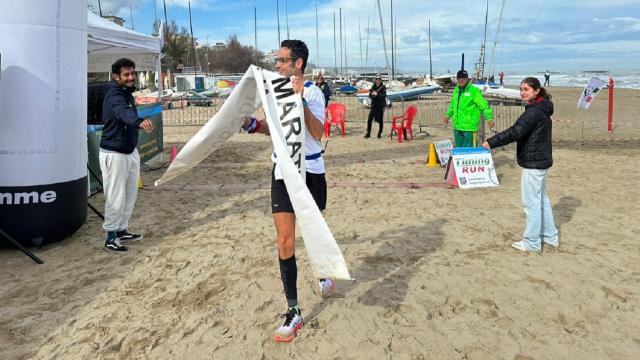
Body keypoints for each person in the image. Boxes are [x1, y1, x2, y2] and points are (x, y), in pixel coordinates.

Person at [240, 40, 335, 343]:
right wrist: (253, 124)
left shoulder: (314, 92)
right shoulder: (275, 90)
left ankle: (323, 270)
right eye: (276, 60)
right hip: (283, 171)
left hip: (311, 171)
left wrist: (301, 103)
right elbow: (274, 126)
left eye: (282, 60)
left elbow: (318, 133)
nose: (277, 65)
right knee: (285, 239)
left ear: (299, 63)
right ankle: (293, 310)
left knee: (312, 230)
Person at [482, 77, 558, 252]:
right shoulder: (541, 108)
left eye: (526, 89)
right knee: (541, 200)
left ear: (537, 91)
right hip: (541, 161)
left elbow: (515, 131)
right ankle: (550, 236)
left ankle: (532, 242)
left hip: (534, 162)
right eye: (521, 89)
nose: (523, 92)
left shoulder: (534, 112)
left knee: (531, 202)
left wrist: (491, 142)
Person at [99, 58, 154, 252]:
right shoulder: (115, 96)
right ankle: (111, 237)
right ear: (116, 77)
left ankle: (122, 229)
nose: (131, 77)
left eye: (133, 73)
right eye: (126, 75)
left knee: (130, 193)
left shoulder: (127, 93)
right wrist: (138, 121)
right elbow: (123, 113)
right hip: (114, 154)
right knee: (115, 196)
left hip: (130, 151)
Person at [443, 70, 494, 147]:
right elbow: (453, 105)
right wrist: (448, 115)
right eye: (459, 78)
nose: (461, 80)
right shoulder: (456, 90)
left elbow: (484, 105)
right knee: (459, 151)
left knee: (468, 153)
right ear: (457, 79)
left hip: (469, 128)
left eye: (463, 77)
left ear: (467, 78)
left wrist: (489, 118)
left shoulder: (473, 91)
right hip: (457, 127)